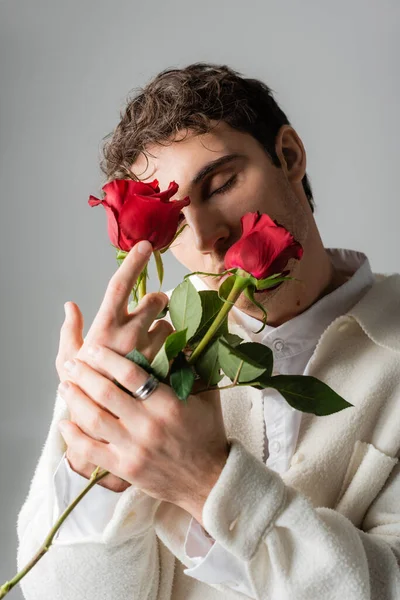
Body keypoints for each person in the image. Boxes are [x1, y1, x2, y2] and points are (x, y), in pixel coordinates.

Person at [16, 63, 400, 600]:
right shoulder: (130, 363)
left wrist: (205, 480)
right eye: (173, 218)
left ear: (288, 157)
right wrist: (97, 467)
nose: (205, 237)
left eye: (220, 184)